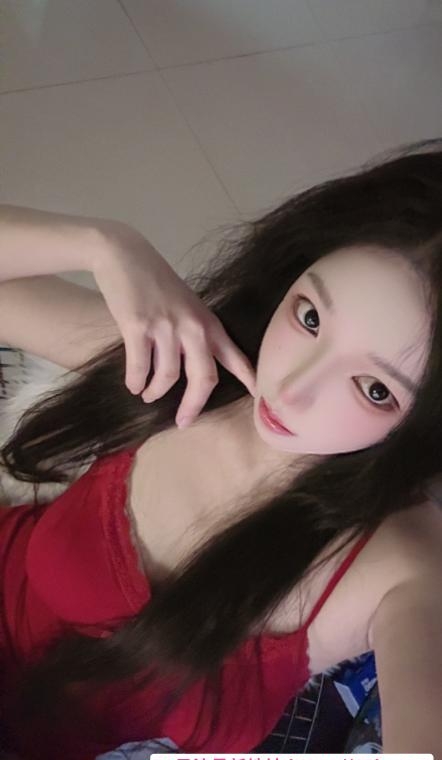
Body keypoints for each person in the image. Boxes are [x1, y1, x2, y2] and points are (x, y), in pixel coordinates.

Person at [0, 138, 441, 760]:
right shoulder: (186, 366)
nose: (291, 388)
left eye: (374, 389)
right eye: (310, 317)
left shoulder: (402, 566)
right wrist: (104, 243)